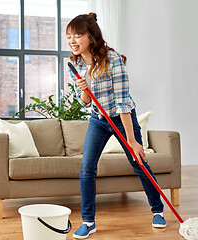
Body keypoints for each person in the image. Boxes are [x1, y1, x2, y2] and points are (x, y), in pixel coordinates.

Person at [66, 13, 166, 239]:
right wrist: (83, 86)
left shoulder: (112, 59)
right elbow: (85, 101)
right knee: (87, 167)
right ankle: (89, 222)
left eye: (77, 35)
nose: (72, 40)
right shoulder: (73, 64)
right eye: (69, 36)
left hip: (122, 117)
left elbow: (122, 102)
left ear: (91, 37)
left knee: (138, 162)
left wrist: (132, 142)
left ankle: (158, 210)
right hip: (98, 120)